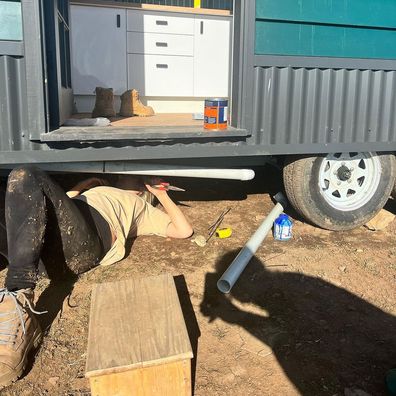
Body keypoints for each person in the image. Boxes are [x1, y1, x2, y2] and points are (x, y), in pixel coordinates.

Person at [0, 165, 193, 387]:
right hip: (43, 247)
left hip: (81, 246)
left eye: (136, 176)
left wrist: (161, 194)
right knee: (13, 189)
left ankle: (19, 295)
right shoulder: (94, 192)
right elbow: (44, 202)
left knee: (26, 174)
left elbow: (183, 230)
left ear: (143, 188)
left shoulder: (142, 208)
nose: (126, 175)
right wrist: (84, 186)